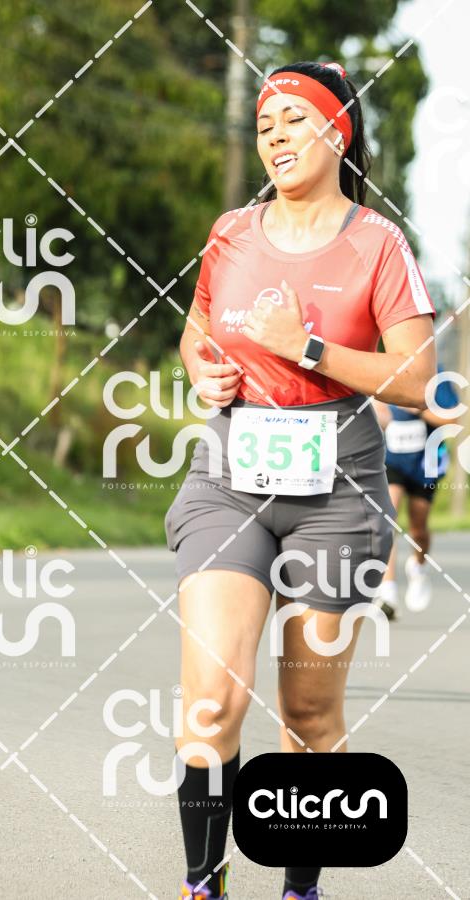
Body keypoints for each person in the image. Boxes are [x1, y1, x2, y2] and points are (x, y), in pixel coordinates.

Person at [163, 60, 436, 900]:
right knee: (211, 702)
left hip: (338, 493)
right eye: (263, 124)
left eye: (294, 119)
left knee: (308, 715)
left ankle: (300, 888)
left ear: (337, 132)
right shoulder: (231, 233)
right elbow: (197, 329)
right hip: (229, 476)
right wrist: (200, 367)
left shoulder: (378, 243)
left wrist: (307, 348)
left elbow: (419, 379)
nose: (274, 136)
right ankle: (203, 884)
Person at [372, 366, 460, 620]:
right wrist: (379, 413)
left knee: (418, 529)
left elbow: (452, 420)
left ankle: (418, 567)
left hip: (424, 464)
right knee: (387, 519)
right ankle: (387, 591)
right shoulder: (385, 367)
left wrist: (418, 408)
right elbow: (375, 410)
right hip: (392, 461)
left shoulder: (436, 374)